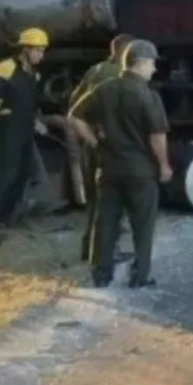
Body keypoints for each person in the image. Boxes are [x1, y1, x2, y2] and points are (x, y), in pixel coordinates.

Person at [69, 39, 173, 288]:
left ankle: (101, 274)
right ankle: (140, 276)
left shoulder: (104, 89)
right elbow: (157, 136)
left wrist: (94, 143)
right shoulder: (147, 96)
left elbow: (74, 117)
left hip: (108, 167)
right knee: (143, 226)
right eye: (151, 64)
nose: (154, 69)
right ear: (140, 64)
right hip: (141, 171)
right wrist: (164, 166)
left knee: (105, 222)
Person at [0, 28, 51, 239]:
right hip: (7, 128)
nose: (40, 55)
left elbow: (27, 104)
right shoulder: (6, 68)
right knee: (6, 175)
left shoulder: (33, 75)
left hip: (25, 128)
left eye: (42, 51)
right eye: (37, 50)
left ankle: (6, 218)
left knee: (21, 174)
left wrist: (37, 123)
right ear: (24, 49)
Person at [67, 33, 134, 263]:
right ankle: (107, 252)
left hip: (92, 141)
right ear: (123, 51)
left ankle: (89, 248)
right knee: (113, 200)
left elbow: (74, 104)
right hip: (110, 145)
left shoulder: (95, 70)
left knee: (96, 200)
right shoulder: (119, 75)